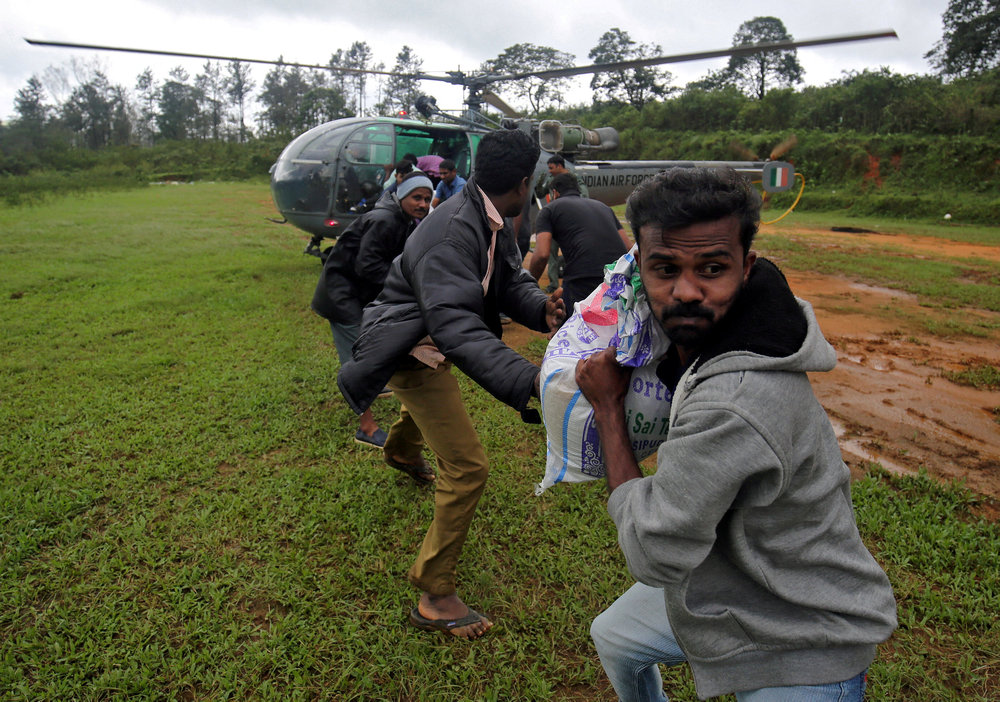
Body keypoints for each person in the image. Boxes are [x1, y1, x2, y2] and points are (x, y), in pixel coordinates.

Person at [574, 167, 897, 701]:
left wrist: (609, 408)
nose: (686, 292)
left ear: (746, 267)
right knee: (615, 635)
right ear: (641, 267)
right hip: (734, 577)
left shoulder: (736, 403)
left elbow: (654, 553)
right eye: (664, 269)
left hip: (803, 635)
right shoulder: (737, 323)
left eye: (711, 268)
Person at [338, 128, 565, 640]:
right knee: (467, 467)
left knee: (426, 412)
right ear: (525, 181)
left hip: (422, 338)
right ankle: (434, 593)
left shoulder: (488, 215)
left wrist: (539, 306)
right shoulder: (450, 232)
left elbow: (505, 279)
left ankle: (399, 452)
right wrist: (531, 379)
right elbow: (457, 328)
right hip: (410, 348)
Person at [311, 172, 434, 448]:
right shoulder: (385, 219)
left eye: (427, 198)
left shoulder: (402, 219)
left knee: (373, 346)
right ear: (402, 196)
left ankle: (376, 386)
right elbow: (367, 266)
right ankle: (366, 428)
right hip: (341, 296)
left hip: (357, 295)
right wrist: (406, 287)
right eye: (417, 197)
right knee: (360, 358)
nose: (423, 204)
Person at [528, 172, 632, 314]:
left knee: (574, 327)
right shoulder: (603, 207)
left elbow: (541, 255)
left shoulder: (549, 210)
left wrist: (528, 285)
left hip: (582, 278)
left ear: (554, 192)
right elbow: (629, 247)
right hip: (618, 275)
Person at [535, 154, 589, 293]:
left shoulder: (574, 179)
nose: (549, 171)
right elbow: (540, 193)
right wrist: (540, 182)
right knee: (551, 253)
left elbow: (584, 196)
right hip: (554, 222)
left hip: (569, 223)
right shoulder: (551, 180)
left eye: (551, 168)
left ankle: (574, 283)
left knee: (572, 253)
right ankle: (553, 284)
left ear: (560, 166)